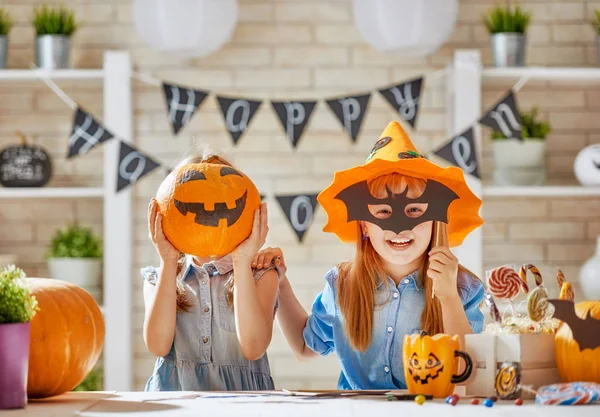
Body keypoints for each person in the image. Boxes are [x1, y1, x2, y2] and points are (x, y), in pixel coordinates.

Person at [253, 121, 485, 390]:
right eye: (383, 212)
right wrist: (280, 283)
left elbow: (467, 373)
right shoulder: (342, 285)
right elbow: (306, 347)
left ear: (436, 220)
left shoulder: (462, 288)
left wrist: (448, 297)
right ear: (363, 223)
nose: (400, 227)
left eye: (415, 211)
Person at [141, 151, 279, 391]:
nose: (209, 203)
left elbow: (254, 346)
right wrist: (168, 259)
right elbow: (157, 346)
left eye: (221, 188)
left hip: (243, 405)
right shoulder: (159, 277)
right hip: (176, 401)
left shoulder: (261, 275)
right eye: (193, 190)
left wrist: (242, 260)